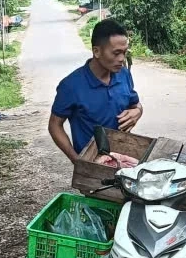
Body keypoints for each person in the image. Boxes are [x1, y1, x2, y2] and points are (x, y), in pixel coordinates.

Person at [48, 19, 144, 162]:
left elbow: (135, 105)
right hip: (93, 165)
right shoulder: (71, 86)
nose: (121, 59)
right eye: (116, 53)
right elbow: (54, 126)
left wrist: (138, 112)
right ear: (96, 51)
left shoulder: (123, 74)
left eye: (124, 52)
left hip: (124, 159)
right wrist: (77, 161)